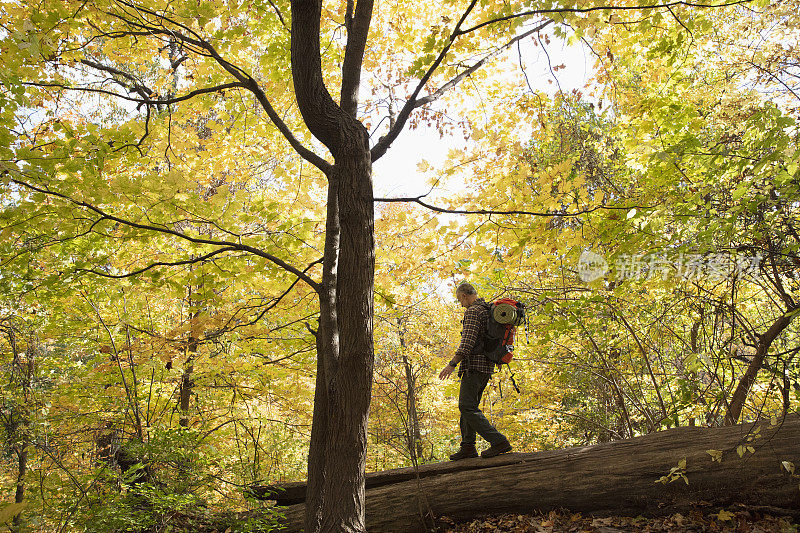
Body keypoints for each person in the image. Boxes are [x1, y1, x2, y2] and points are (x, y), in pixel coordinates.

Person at [438, 283, 512, 460]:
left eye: (460, 300)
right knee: (469, 407)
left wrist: (452, 363)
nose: (461, 304)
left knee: (466, 406)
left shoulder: (473, 311)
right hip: (486, 367)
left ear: (464, 295)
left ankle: (498, 441)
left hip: (474, 366)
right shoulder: (487, 310)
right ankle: (468, 446)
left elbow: (467, 342)